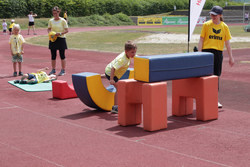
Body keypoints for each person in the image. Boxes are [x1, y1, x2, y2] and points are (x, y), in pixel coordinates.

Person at [198, 6, 234, 108]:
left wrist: (231, 57)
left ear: (220, 15)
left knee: (215, 77)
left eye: (215, 15)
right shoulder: (206, 25)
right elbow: (201, 39)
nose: (212, 16)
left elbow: (227, 43)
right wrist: (199, 53)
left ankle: (215, 99)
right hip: (206, 53)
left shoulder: (224, 27)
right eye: (211, 14)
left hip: (218, 54)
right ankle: (202, 98)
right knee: (204, 76)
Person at [105, 41, 137, 113]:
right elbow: (113, 68)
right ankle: (115, 107)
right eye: (132, 52)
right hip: (111, 73)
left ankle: (101, 76)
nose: (134, 54)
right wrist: (111, 79)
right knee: (119, 89)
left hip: (112, 72)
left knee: (117, 85)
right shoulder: (122, 60)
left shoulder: (127, 54)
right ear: (126, 51)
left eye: (135, 52)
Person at [47, 6, 69, 76]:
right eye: (53, 13)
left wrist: (59, 33)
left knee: (62, 55)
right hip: (53, 39)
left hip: (61, 38)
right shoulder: (51, 21)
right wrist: (50, 33)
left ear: (59, 12)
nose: (54, 15)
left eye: (56, 13)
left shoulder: (63, 21)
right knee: (53, 55)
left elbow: (67, 30)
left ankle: (63, 70)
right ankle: (53, 69)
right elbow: (49, 29)